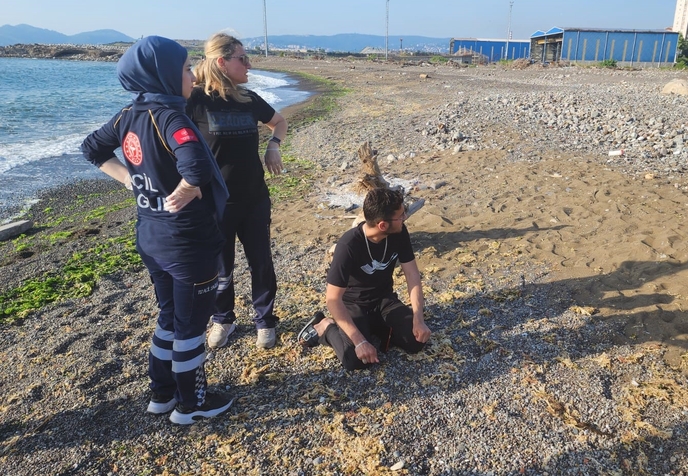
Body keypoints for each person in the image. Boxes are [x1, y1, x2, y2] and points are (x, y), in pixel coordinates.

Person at [81, 36, 233, 424]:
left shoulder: (128, 115)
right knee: (191, 327)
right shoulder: (170, 117)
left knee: (169, 316)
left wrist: (132, 182)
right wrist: (185, 189)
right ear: (163, 75)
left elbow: (92, 149)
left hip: (151, 236)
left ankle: (161, 394)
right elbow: (196, 165)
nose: (193, 77)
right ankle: (192, 404)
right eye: (185, 70)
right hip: (187, 242)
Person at [186, 32, 287, 349]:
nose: (249, 64)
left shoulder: (249, 99)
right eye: (243, 59)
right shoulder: (196, 101)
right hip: (216, 204)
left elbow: (279, 122)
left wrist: (274, 146)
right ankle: (223, 319)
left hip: (254, 198)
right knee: (221, 267)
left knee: (261, 262)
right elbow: (169, 138)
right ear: (221, 62)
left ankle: (265, 321)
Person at [298, 188, 431, 371]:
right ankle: (326, 327)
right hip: (353, 304)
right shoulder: (348, 245)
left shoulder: (399, 233)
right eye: (400, 216)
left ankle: (373, 329)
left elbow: (412, 275)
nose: (405, 218)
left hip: (384, 300)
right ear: (382, 225)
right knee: (355, 360)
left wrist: (418, 318)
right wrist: (359, 341)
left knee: (416, 341)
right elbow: (333, 299)